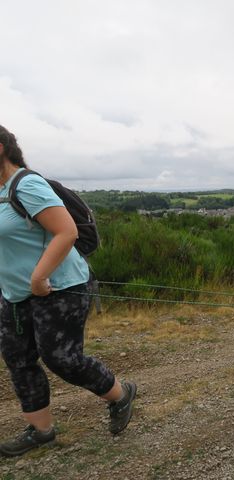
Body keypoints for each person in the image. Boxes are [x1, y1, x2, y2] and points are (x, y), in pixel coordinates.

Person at [0, 125, 136, 457]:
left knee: (62, 358)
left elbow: (66, 231)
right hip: (15, 294)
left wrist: (38, 277)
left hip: (61, 287)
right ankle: (41, 430)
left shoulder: (27, 184)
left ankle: (120, 395)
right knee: (19, 359)